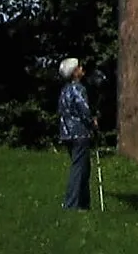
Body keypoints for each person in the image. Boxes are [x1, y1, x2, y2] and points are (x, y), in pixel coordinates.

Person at [57, 58, 94, 211]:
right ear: (74, 73)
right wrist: (92, 122)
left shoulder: (64, 90)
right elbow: (83, 109)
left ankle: (83, 203)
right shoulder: (78, 89)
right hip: (79, 132)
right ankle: (71, 204)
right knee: (79, 168)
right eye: (78, 67)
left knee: (83, 167)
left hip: (66, 133)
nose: (81, 68)